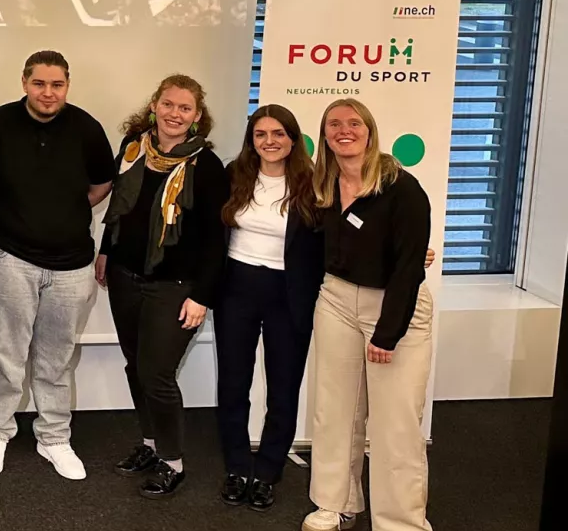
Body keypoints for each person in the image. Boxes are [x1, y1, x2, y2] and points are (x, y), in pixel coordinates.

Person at [0, 49, 115, 479]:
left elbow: (102, 183)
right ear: (24, 83)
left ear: (67, 85)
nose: (48, 92)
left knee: (57, 357)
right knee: (6, 353)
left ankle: (54, 438)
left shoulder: (87, 128)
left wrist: (63, 209)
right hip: (7, 257)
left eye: (57, 84)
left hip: (72, 264)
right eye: (39, 83)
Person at [304, 98, 435, 531]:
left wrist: (387, 333)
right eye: (334, 124)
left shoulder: (402, 188)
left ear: (369, 130)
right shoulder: (322, 185)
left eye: (354, 123)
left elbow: (408, 267)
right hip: (337, 301)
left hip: (394, 306)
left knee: (396, 423)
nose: (344, 130)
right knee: (334, 410)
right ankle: (336, 503)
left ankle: (401, 522)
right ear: (325, 135)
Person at [97, 75, 228, 498]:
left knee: (157, 373)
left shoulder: (206, 166)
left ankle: (173, 462)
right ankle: (151, 445)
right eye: (168, 104)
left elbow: (216, 239)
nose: (175, 114)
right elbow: (120, 209)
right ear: (154, 105)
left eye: (185, 108)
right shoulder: (133, 149)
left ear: (196, 116)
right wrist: (105, 252)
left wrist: (202, 296)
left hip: (176, 286)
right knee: (135, 366)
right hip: (125, 276)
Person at [213, 104, 323, 512]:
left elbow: (337, 239)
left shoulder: (313, 183)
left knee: (283, 386)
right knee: (233, 383)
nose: (269, 141)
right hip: (236, 288)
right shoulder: (234, 175)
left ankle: (268, 471)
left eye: (278, 133)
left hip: (288, 293)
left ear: (293, 139)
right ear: (251, 140)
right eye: (261, 134)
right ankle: (238, 467)